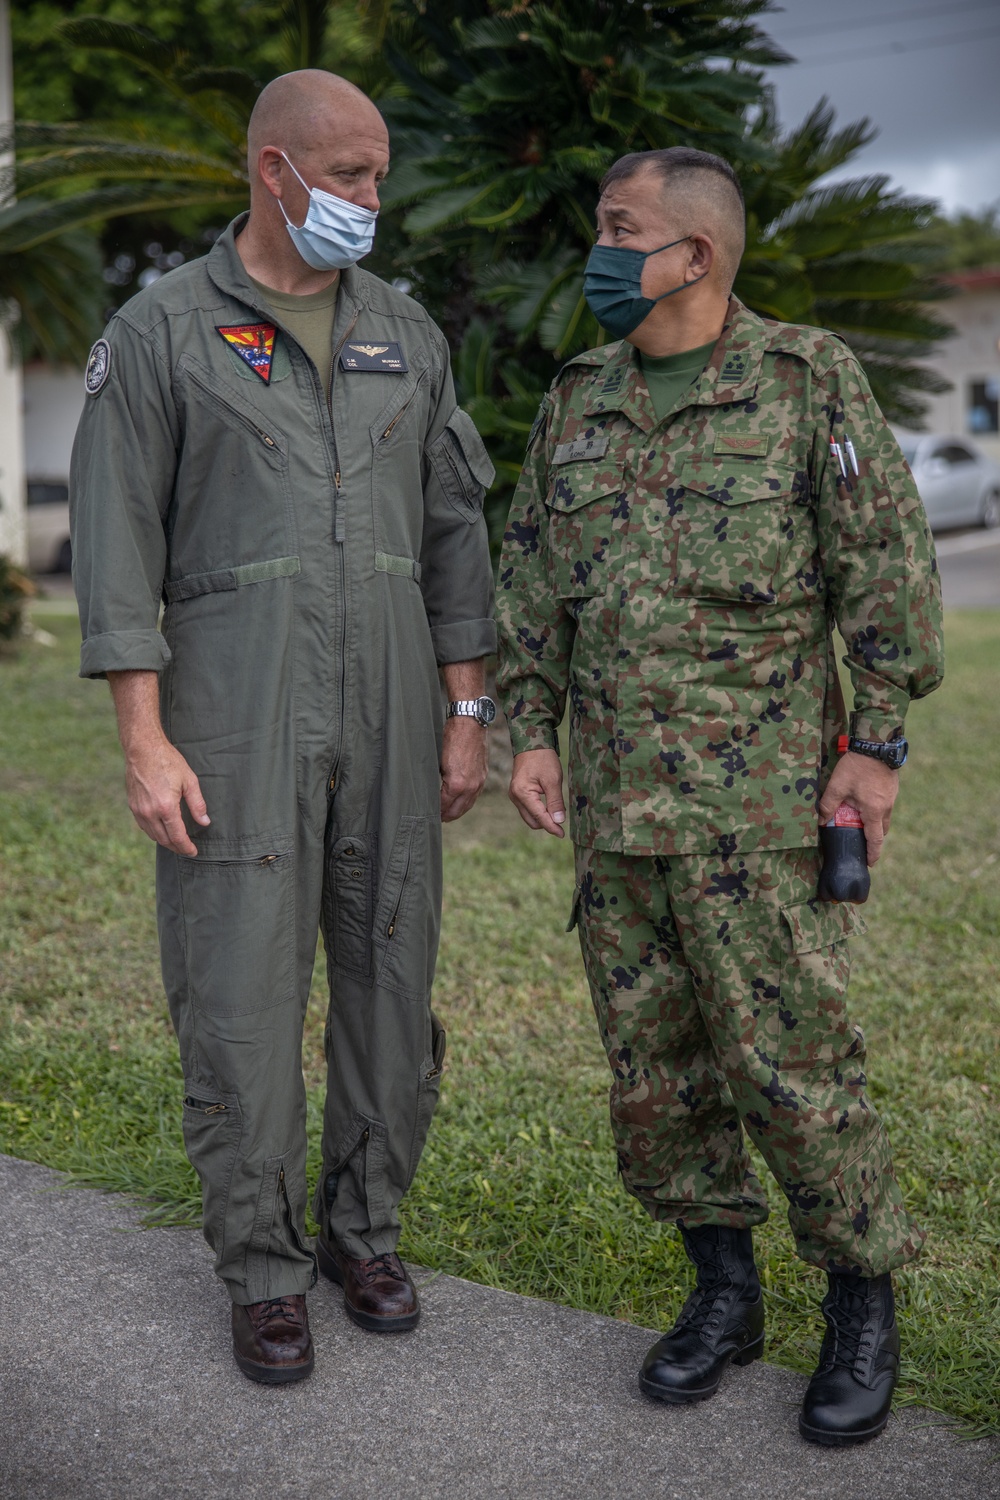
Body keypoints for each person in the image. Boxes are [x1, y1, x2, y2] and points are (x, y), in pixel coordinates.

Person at [495, 146, 943, 1447]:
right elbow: (533, 583)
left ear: (694, 254)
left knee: (794, 1065)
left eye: (619, 228)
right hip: (618, 811)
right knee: (658, 1077)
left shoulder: (806, 383)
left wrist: (877, 747)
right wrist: (525, 727)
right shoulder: (578, 401)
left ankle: (861, 1297)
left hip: (757, 814)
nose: (600, 248)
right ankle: (723, 1294)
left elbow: (887, 574)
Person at [71, 70, 498, 1385]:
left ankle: (363, 1234)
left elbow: (452, 528)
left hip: (388, 702)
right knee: (242, 998)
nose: (375, 197)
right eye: (353, 173)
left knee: (387, 976)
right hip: (233, 716)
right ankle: (262, 1268)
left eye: (379, 173)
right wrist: (144, 740)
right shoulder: (161, 333)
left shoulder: (403, 334)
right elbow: (116, 542)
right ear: (274, 171)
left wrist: (468, 705)